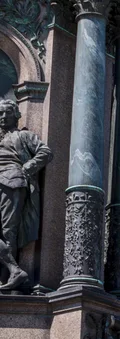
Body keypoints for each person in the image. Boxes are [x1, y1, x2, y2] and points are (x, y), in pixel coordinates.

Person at [0, 99, 52, 290]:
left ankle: (6, 277)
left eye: (8, 113)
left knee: (8, 231)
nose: (4, 117)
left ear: (17, 115)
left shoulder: (23, 136)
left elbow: (45, 152)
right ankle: (15, 271)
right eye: (1, 114)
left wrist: (27, 167)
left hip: (12, 181)